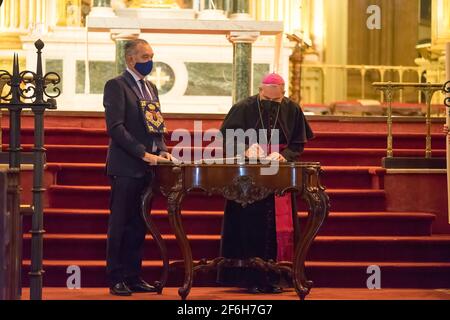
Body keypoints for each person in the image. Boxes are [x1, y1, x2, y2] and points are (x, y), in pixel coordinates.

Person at [217, 73, 314, 294]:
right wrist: (245, 149)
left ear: (283, 92)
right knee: (249, 223)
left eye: (276, 100)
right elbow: (226, 138)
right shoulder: (244, 107)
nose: (271, 103)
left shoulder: (293, 108)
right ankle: (250, 277)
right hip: (248, 175)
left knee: (277, 224)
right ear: (261, 91)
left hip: (278, 173)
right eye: (267, 99)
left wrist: (285, 155)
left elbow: (298, 143)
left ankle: (278, 276)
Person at [103, 39, 173, 296]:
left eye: (152, 55)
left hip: (149, 167)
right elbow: (115, 128)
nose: (150, 61)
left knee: (139, 223)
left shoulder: (151, 87)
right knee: (120, 223)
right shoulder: (116, 85)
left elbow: (156, 124)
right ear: (131, 60)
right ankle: (116, 278)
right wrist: (143, 153)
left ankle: (133, 275)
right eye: (145, 56)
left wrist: (162, 150)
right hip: (126, 166)